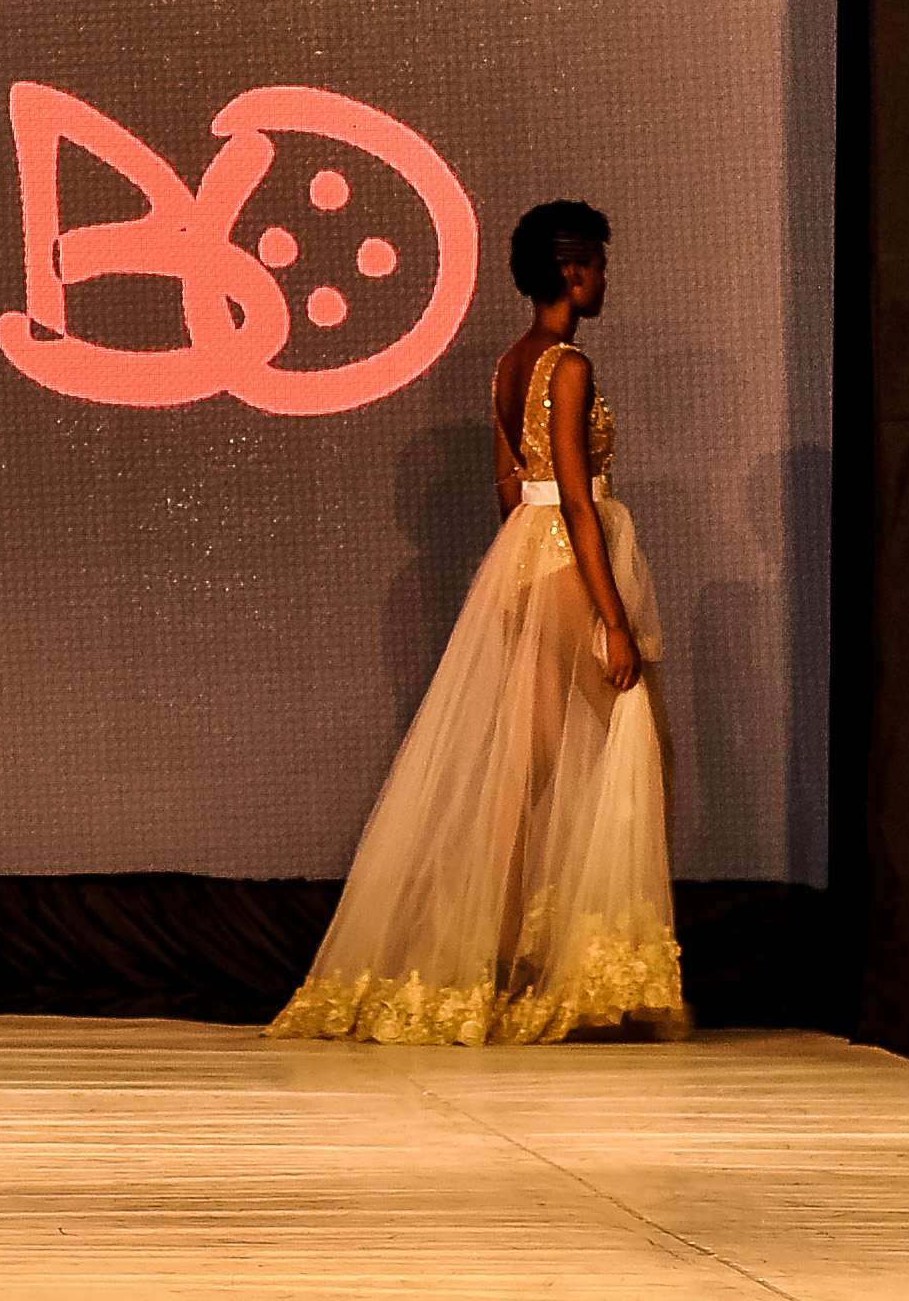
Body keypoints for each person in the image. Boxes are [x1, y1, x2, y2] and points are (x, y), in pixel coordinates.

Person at [271, 200, 685, 1047]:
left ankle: (488, 962)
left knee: (523, 774)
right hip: (569, 565)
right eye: (599, 265)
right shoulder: (567, 365)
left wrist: (521, 575)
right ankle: (590, 971)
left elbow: (510, 487)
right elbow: (576, 499)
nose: (605, 279)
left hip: (527, 565)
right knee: (628, 744)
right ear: (572, 270)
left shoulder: (508, 363)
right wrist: (611, 619)